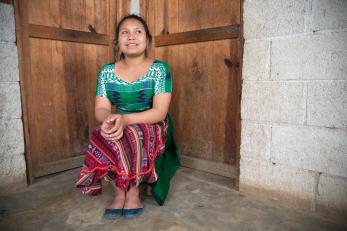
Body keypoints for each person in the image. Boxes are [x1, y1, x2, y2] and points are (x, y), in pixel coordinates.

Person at [75, 14, 180, 219]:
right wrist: (109, 119)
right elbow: (101, 108)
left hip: (151, 121)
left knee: (131, 133)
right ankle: (118, 191)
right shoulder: (106, 72)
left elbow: (160, 112)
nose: (131, 37)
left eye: (138, 32)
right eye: (125, 32)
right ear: (117, 42)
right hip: (120, 118)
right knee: (102, 133)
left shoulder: (159, 69)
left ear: (147, 40)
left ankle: (131, 191)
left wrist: (126, 120)